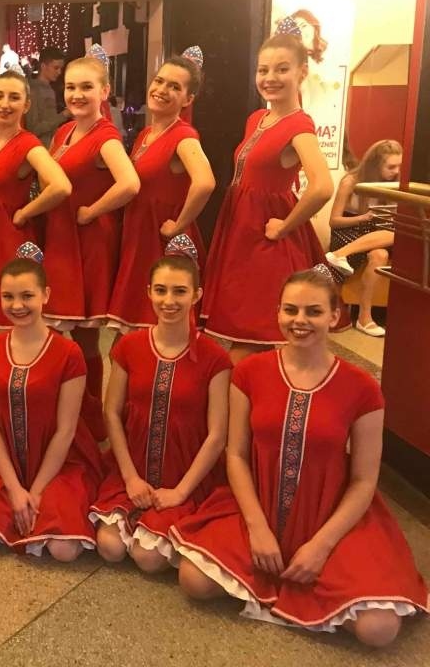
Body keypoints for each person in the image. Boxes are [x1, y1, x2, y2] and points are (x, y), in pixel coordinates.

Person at [173, 267, 428, 647]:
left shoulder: (362, 388)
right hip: (259, 501)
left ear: (335, 315)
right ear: (277, 312)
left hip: (328, 511)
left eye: (313, 311)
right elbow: (237, 455)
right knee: (193, 581)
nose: (300, 320)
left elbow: (363, 480)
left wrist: (322, 546)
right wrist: (257, 528)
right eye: (290, 310)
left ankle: (312, 588)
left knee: (378, 629)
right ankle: (308, 594)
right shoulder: (249, 373)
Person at [91, 237, 231, 573]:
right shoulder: (129, 346)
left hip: (186, 472)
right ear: (149, 292)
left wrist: (181, 492)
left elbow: (217, 434)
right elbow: (112, 412)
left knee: (148, 559)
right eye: (161, 290)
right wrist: (130, 478)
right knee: (109, 547)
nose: (169, 300)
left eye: (180, 291)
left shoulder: (215, 358)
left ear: (196, 295)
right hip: (133, 465)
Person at [0, 243, 102, 560]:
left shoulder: (69, 353)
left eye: (27, 296)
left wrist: (35, 491)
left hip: (57, 459)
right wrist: (13, 487)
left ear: (45, 295)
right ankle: (14, 506)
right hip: (2, 454)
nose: (17, 305)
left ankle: (40, 505)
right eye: (8, 297)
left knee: (64, 549)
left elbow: (66, 430)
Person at [202, 20, 334, 364]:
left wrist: (285, 226)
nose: (270, 77)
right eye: (263, 70)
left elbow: (322, 186)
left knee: (253, 332)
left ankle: (247, 396)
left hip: (265, 237)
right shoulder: (258, 117)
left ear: (302, 72)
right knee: (241, 330)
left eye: (282, 69)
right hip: (240, 229)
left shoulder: (299, 124)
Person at [41, 49, 139, 426]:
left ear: (104, 91)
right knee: (54, 324)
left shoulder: (105, 136)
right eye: (70, 87)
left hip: (87, 241)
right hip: (61, 237)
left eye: (86, 87)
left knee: (83, 334)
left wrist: (93, 210)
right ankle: (61, 412)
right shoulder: (65, 131)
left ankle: (90, 417)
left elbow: (130, 183)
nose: (77, 94)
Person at [107, 47, 215, 331]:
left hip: (159, 239)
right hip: (139, 233)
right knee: (136, 329)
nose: (162, 90)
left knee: (159, 326)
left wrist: (179, 224)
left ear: (188, 99)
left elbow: (205, 182)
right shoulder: (146, 134)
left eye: (175, 87)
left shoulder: (184, 136)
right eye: (159, 81)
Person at [0, 69, 72, 333]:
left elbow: (61, 186)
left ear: (26, 105)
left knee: (4, 321)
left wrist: (24, 213)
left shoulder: (27, 143)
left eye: (14, 97)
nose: (5, 104)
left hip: (7, 239)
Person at [324, 139, 402, 337]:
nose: (396, 171)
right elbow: (334, 221)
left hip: (375, 232)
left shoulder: (394, 184)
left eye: (399, 166)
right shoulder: (351, 181)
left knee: (381, 254)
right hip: (348, 229)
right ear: (375, 165)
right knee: (390, 239)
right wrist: (363, 218)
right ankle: (339, 253)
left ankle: (364, 317)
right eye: (391, 166)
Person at [25, 46, 70, 146]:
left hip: (51, 146)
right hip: (38, 148)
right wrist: (63, 115)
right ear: (43, 66)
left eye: (60, 68)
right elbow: (33, 129)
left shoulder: (50, 89)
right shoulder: (33, 90)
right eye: (56, 68)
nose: (59, 72)